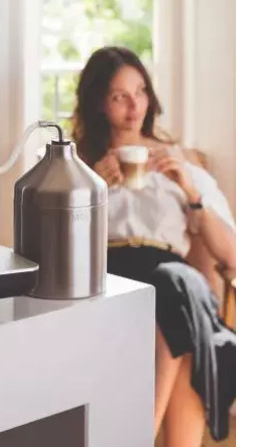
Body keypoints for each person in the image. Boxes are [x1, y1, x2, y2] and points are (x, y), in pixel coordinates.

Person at [71, 46, 236, 446]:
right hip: (111, 274)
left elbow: (232, 255)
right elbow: (58, 245)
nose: (134, 106)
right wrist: (92, 188)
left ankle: (136, 437)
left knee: (176, 286)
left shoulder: (180, 163)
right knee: (184, 310)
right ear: (99, 103)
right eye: (119, 96)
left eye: (140, 91)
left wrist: (190, 192)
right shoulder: (79, 168)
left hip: (170, 272)